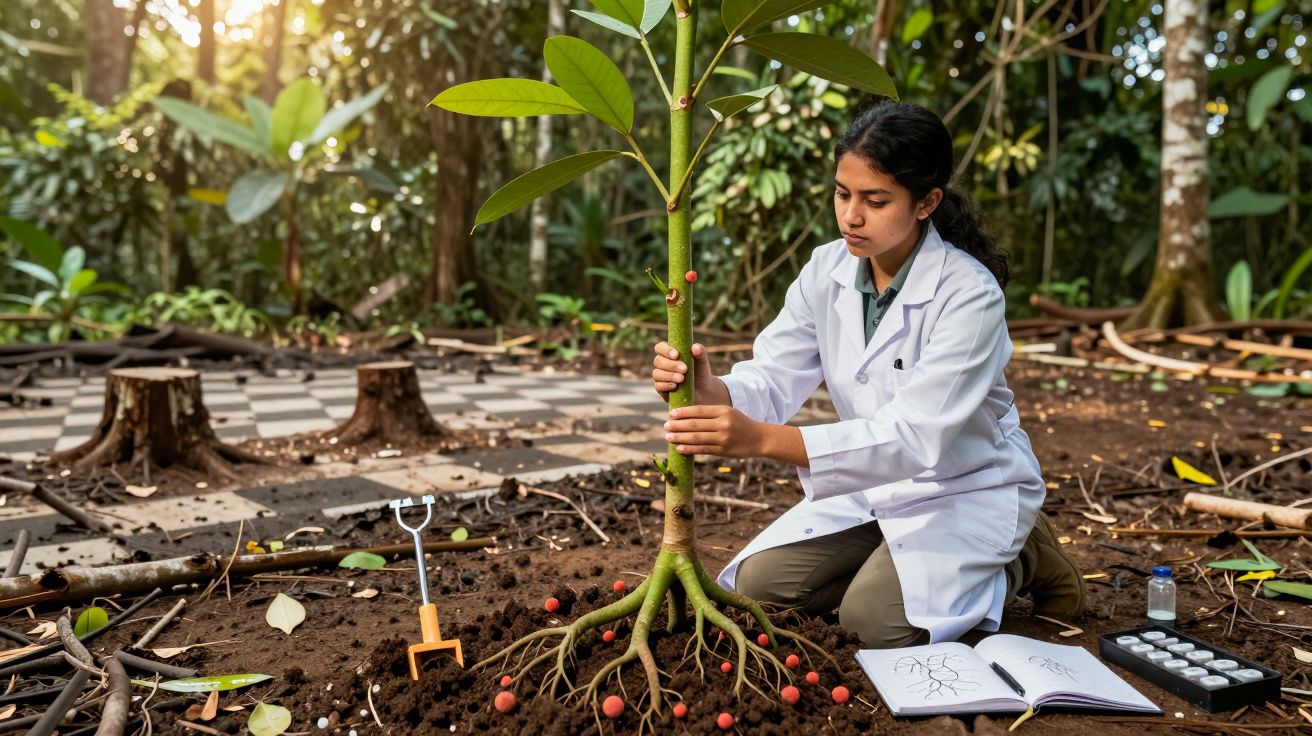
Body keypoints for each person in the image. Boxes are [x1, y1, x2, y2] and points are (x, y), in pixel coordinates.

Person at [650, 100, 1083, 649]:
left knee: (873, 624)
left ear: (927, 202)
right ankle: (890, 565)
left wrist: (759, 440)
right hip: (874, 487)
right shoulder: (826, 269)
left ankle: (1023, 554)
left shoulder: (970, 295)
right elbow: (774, 375)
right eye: (842, 193)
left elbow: (914, 437)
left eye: (875, 201)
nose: (851, 216)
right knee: (761, 588)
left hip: (966, 485)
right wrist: (711, 389)